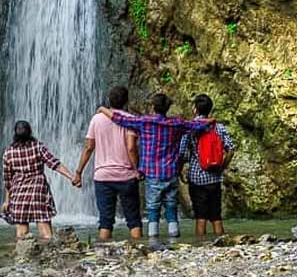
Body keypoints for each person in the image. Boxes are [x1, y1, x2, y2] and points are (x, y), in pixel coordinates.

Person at [99, 94, 212, 238]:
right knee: (171, 206)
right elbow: (195, 125)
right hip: (171, 172)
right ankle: (174, 235)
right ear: (167, 108)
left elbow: (121, 119)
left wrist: (103, 109)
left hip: (152, 174)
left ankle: (153, 238)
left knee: (153, 208)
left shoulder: (145, 122)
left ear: (153, 107)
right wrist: (211, 120)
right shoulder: (176, 123)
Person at [73, 86, 143, 240]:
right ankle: (139, 250)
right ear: (126, 101)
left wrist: (79, 172)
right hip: (126, 175)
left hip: (103, 177)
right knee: (133, 219)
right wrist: (137, 169)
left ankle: (103, 253)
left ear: (109, 101)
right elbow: (131, 148)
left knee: (105, 221)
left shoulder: (96, 119)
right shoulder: (129, 119)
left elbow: (89, 147)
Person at [1, 120, 79, 239]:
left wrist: (7, 200)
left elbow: (8, 180)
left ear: (15, 134)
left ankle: (22, 256)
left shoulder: (8, 152)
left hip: (18, 192)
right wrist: (71, 177)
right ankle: (49, 253)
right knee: (45, 230)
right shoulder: (37, 146)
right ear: (30, 132)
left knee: (21, 233)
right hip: (38, 191)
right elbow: (54, 164)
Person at [178, 93, 236, 237]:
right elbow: (231, 149)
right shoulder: (219, 127)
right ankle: (222, 244)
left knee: (200, 217)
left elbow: (182, 153)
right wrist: (222, 166)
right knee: (216, 217)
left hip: (197, 178)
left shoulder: (190, 129)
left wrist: (179, 171)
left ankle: (201, 245)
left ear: (195, 109)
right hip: (215, 178)